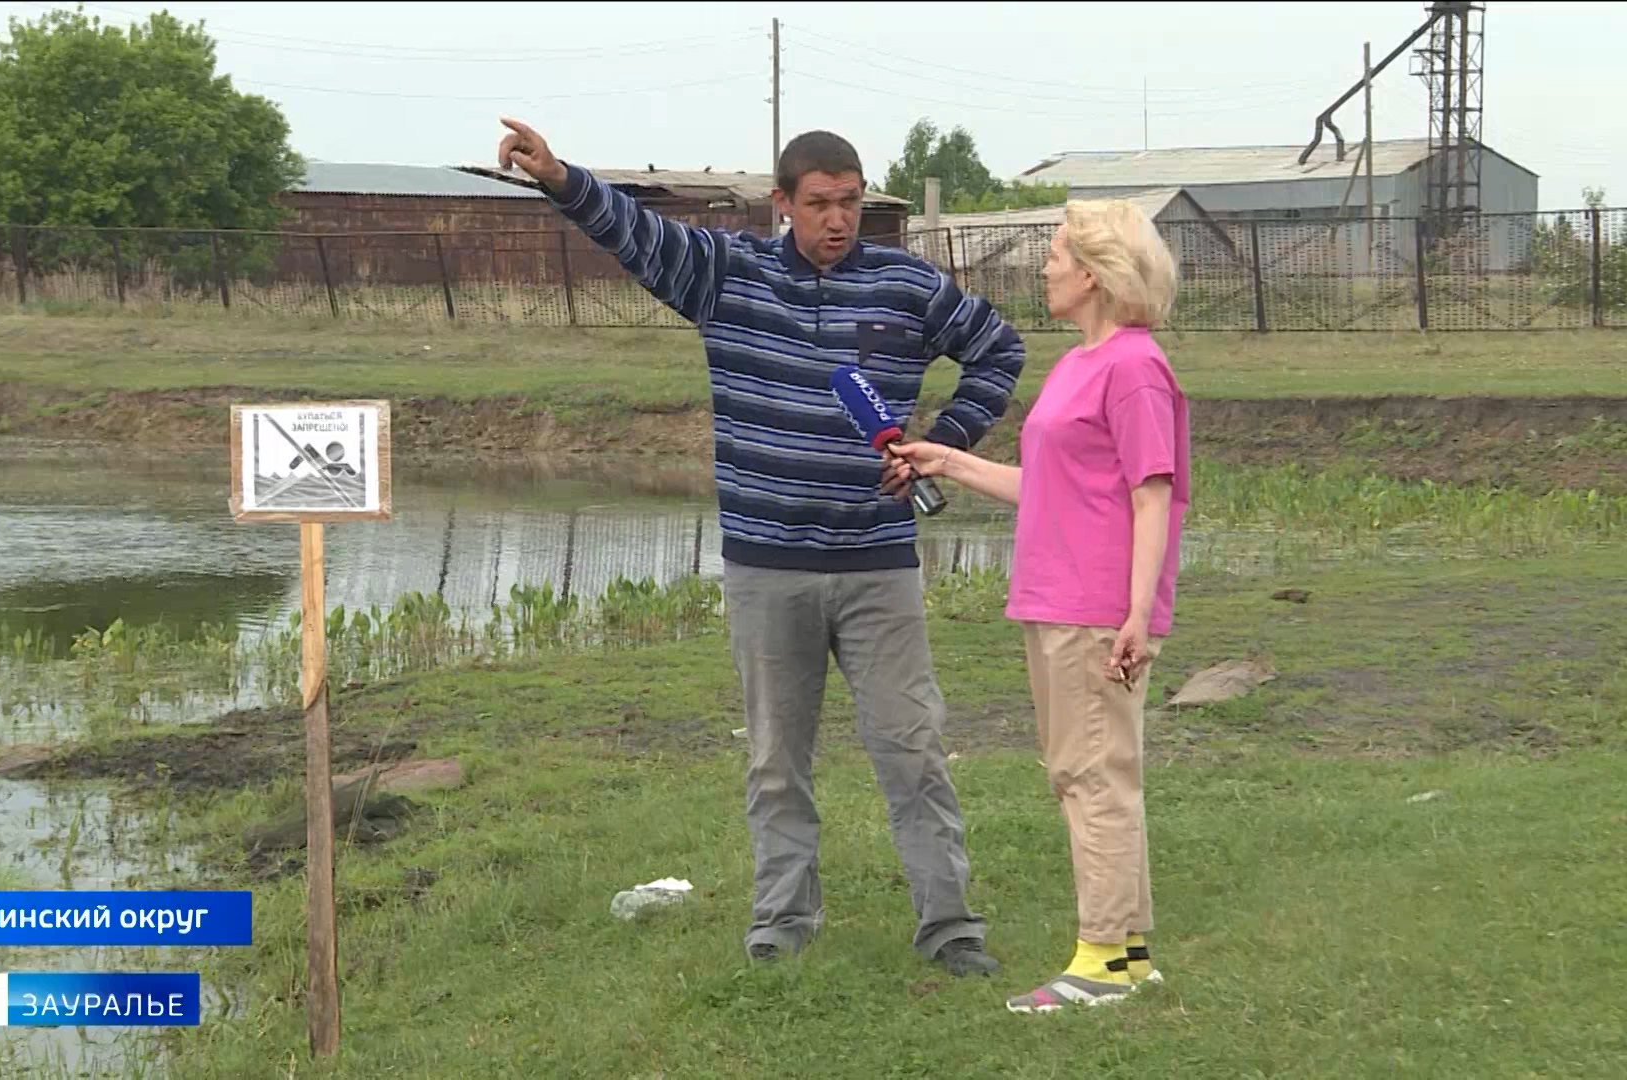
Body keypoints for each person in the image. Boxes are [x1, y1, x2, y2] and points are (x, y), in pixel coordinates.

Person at [495, 118, 1026, 975]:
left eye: (850, 203)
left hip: (877, 567)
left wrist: (946, 438)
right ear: (782, 204)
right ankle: (781, 923)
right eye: (819, 204)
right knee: (777, 760)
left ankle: (952, 930)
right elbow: (636, 232)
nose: (837, 220)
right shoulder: (724, 275)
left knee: (913, 751)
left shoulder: (906, 284)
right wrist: (559, 177)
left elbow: (999, 349)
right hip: (766, 568)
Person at [884, 199, 1190, 1012]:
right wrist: (946, 461)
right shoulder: (1081, 363)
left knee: (1092, 775)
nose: (1044, 267)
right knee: (1087, 773)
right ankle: (1126, 954)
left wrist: (1134, 615)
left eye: (1055, 253)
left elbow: (1152, 494)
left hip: (1095, 610)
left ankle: (1098, 963)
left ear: (1091, 272)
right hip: (1057, 603)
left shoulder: (1133, 366)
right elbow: (1049, 487)